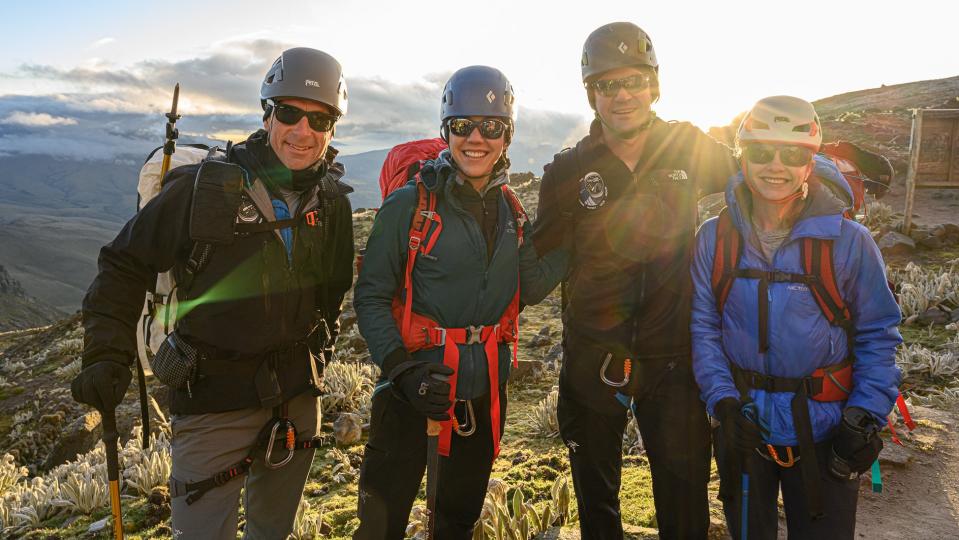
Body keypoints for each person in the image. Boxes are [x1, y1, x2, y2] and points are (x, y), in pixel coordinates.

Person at [71, 47, 355, 539]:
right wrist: (104, 353)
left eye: (319, 118)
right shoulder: (206, 189)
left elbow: (333, 291)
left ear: (332, 127)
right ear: (267, 114)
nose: (302, 131)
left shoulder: (331, 202)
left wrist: (318, 358)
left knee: (274, 531)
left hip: (296, 400)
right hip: (211, 402)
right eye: (289, 112)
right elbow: (124, 261)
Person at [531, 21, 740, 540]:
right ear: (591, 94)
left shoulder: (690, 148)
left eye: (633, 81)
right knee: (597, 503)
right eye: (606, 84)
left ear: (654, 85)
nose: (622, 95)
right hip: (591, 359)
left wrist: (824, 174)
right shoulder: (567, 170)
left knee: (683, 500)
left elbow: (760, 183)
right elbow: (535, 261)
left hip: (673, 357)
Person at [353, 65, 566, 539]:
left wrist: (584, 236)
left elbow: (530, 288)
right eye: (462, 125)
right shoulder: (409, 205)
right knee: (379, 526)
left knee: (456, 523)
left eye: (491, 127)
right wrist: (402, 371)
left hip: (481, 396)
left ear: (507, 136)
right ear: (445, 129)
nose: (476, 138)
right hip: (410, 391)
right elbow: (370, 296)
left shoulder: (512, 210)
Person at [690, 95, 902, 539]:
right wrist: (723, 403)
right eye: (761, 151)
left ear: (810, 162)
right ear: (742, 156)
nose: (775, 165)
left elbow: (878, 334)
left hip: (826, 430)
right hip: (743, 426)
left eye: (792, 154)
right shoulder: (714, 238)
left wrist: (863, 415)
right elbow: (704, 327)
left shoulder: (849, 242)